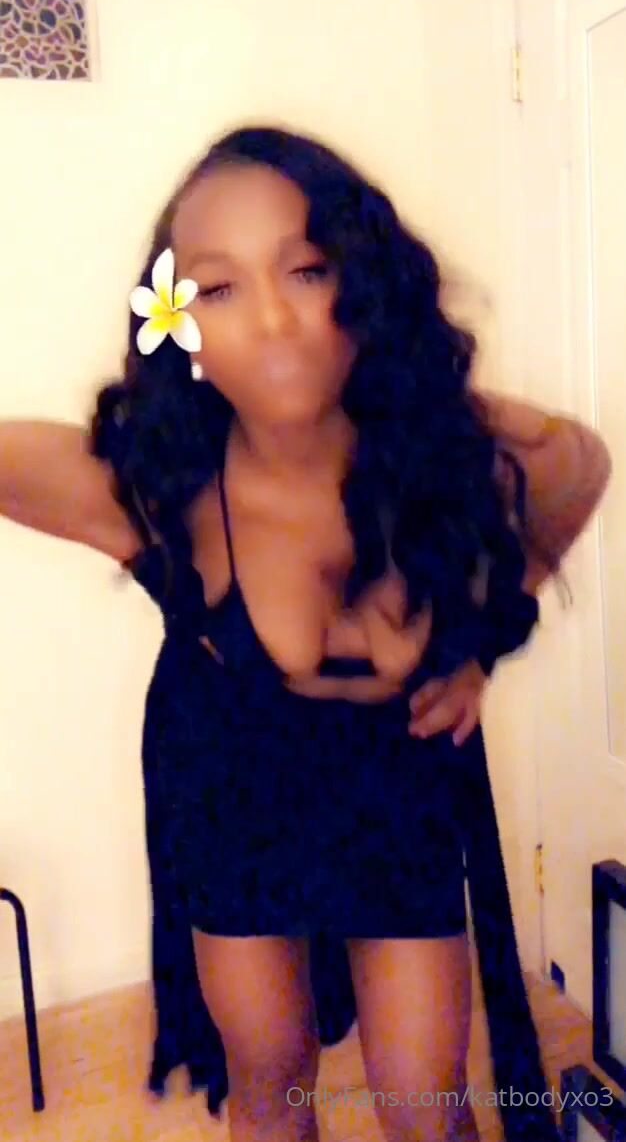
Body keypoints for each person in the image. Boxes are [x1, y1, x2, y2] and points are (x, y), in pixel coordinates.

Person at [0, 124, 611, 1142]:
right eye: (219, 287)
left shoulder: (444, 444)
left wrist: (479, 645)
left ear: (363, 284)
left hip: (396, 797)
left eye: (308, 268)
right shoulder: (156, 487)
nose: (274, 318)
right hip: (232, 800)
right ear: (179, 325)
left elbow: (578, 466)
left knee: (427, 1107)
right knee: (271, 1086)